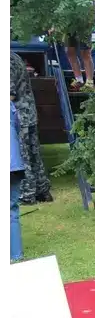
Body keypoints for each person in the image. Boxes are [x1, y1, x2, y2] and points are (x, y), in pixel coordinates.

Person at [9, 50, 52, 205]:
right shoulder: (14, 56)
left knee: (22, 156)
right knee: (34, 155)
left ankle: (26, 194)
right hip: (28, 112)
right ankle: (42, 191)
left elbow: (10, 94)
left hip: (17, 115)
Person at [62, 0, 95, 93]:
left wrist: (91, 22)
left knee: (85, 53)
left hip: (84, 24)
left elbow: (93, 7)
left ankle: (89, 83)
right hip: (69, 25)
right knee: (70, 52)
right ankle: (79, 80)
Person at [9, 99, 25, 263]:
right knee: (12, 210)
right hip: (14, 165)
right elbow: (17, 128)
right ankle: (16, 254)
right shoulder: (11, 107)